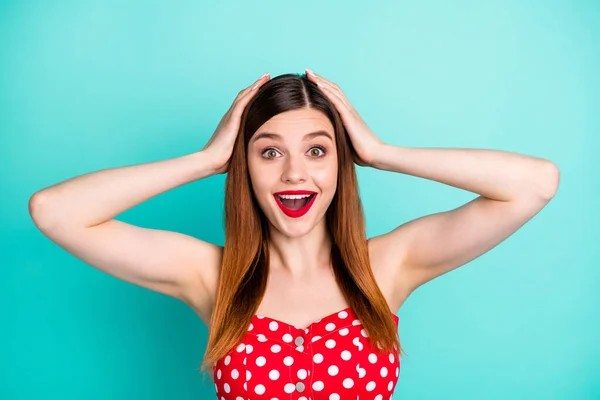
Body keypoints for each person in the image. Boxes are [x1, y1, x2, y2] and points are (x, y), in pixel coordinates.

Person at [28, 69, 560, 399]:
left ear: (339, 164)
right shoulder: (210, 276)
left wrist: (380, 153)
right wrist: (206, 159)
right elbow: (54, 211)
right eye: (268, 151)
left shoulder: (388, 266)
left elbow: (535, 184)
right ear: (246, 168)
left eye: (317, 150)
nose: (294, 174)